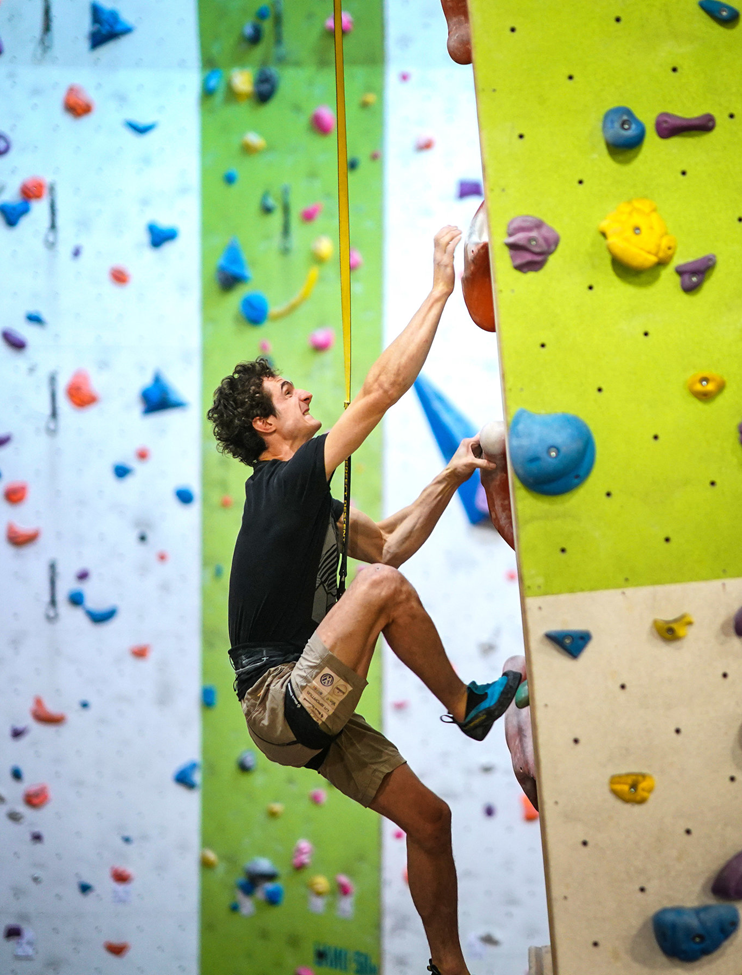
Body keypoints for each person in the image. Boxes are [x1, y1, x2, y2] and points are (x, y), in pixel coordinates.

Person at [207, 225, 521, 975]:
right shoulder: (282, 486)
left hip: (307, 712)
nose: (304, 390)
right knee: (379, 592)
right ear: (265, 427)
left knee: (430, 821)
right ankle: (467, 704)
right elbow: (381, 391)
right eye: (287, 392)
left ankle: (448, 965)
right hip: (279, 697)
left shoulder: (305, 507)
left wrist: (448, 478)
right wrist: (441, 288)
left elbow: (392, 547)